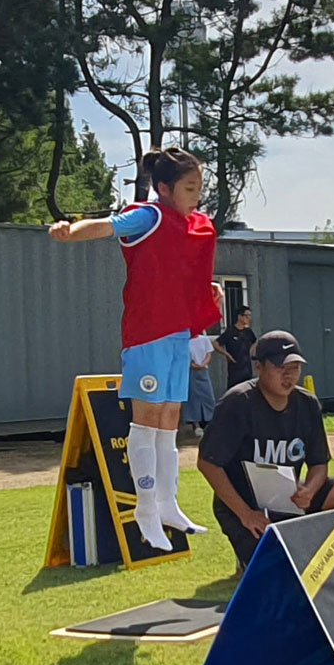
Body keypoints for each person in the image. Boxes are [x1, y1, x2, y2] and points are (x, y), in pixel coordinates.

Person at [49, 147, 223, 550]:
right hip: (148, 335)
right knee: (145, 422)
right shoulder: (150, 215)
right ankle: (145, 507)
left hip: (180, 333)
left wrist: (205, 294)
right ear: (164, 188)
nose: (196, 195)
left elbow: (188, 272)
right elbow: (107, 226)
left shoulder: (195, 224)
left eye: (199, 187)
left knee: (170, 419)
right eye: (189, 187)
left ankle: (167, 502)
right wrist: (70, 230)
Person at [197, 331, 334, 575]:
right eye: (281, 367)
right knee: (276, 574)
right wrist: (245, 514)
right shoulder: (238, 403)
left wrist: (310, 490)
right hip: (246, 506)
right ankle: (248, 553)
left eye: (295, 367)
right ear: (259, 367)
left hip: (289, 498)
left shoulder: (307, 404)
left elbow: (319, 463)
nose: (289, 375)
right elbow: (208, 463)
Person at [187, 333, 218, 430]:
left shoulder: (204, 339)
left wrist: (203, 364)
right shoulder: (186, 341)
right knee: (193, 398)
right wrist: (192, 365)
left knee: (208, 396)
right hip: (191, 371)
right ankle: (195, 424)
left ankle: (210, 421)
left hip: (203, 370)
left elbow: (209, 354)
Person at [219, 307, 256, 389]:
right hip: (235, 369)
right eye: (246, 316)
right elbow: (216, 344)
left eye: (250, 316)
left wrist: (251, 351)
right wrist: (227, 354)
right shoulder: (230, 332)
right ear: (240, 316)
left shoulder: (248, 332)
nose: (248, 318)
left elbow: (255, 341)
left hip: (247, 369)